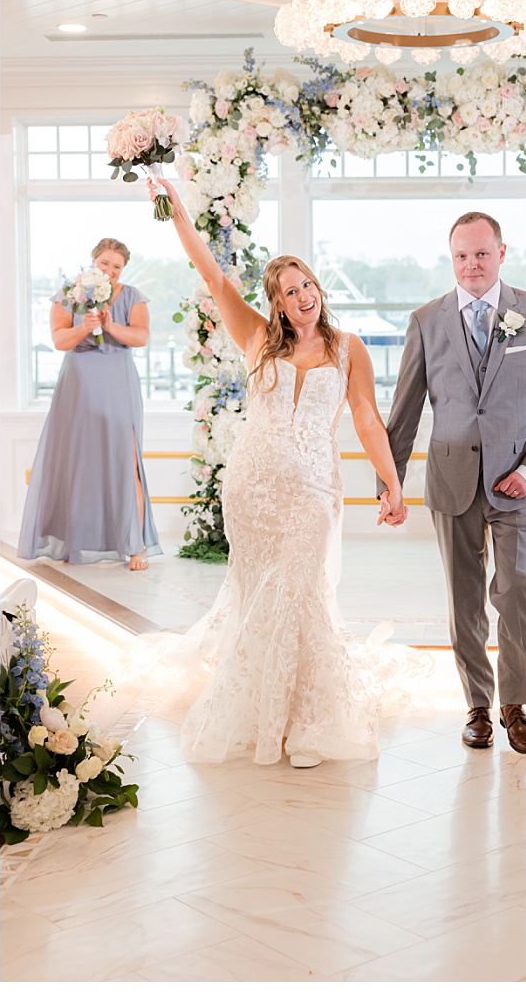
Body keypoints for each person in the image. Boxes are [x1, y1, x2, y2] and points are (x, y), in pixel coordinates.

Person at [142, 177, 412, 768]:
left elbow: (366, 417)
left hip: (314, 489)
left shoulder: (348, 348)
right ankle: (267, 709)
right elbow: (212, 277)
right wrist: (180, 210)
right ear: (278, 303)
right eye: (291, 290)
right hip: (252, 487)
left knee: (301, 593)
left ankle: (308, 722)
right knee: (260, 596)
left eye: (309, 283)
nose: (305, 295)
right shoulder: (257, 338)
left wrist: (391, 483)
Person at [383, 211, 526, 754]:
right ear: (452, 259)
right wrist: (390, 482)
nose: (472, 264)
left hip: (519, 481)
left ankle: (515, 705)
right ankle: (477, 705)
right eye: (462, 255)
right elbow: (406, 409)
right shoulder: (426, 320)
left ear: (502, 253)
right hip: (451, 479)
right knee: (463, 598)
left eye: (482, 254)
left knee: (516, 591)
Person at [18, 236, 162, 570]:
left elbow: (140, 337)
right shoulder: (69, 294)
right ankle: (75, 541)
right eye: (105, 264)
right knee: (78, 462)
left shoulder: (132, 297)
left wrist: (112, 326)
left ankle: (136, 544)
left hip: (118, 382)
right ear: (93, 262)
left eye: (117, 267)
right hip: (79, 383)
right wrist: (85, 327)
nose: (110, 271)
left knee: (127, 461)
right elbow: (59, 341)